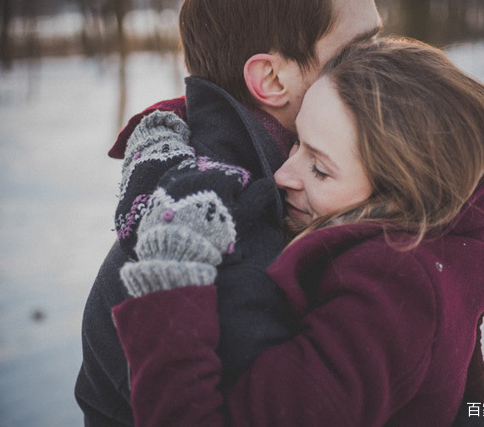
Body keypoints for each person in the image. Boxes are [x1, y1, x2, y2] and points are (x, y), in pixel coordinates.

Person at [111, 37, 484, 426]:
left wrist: (171, 279)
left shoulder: (389, 298)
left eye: (320, 169)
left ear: (400, 197)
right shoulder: (451, 243)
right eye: (296, 142)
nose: (283, 174)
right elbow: (469, 400)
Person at [75, 0, 383, 424]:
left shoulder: (276, 187)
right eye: (360, 49)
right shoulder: (232, 246)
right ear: (271, 78)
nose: (387, 63)